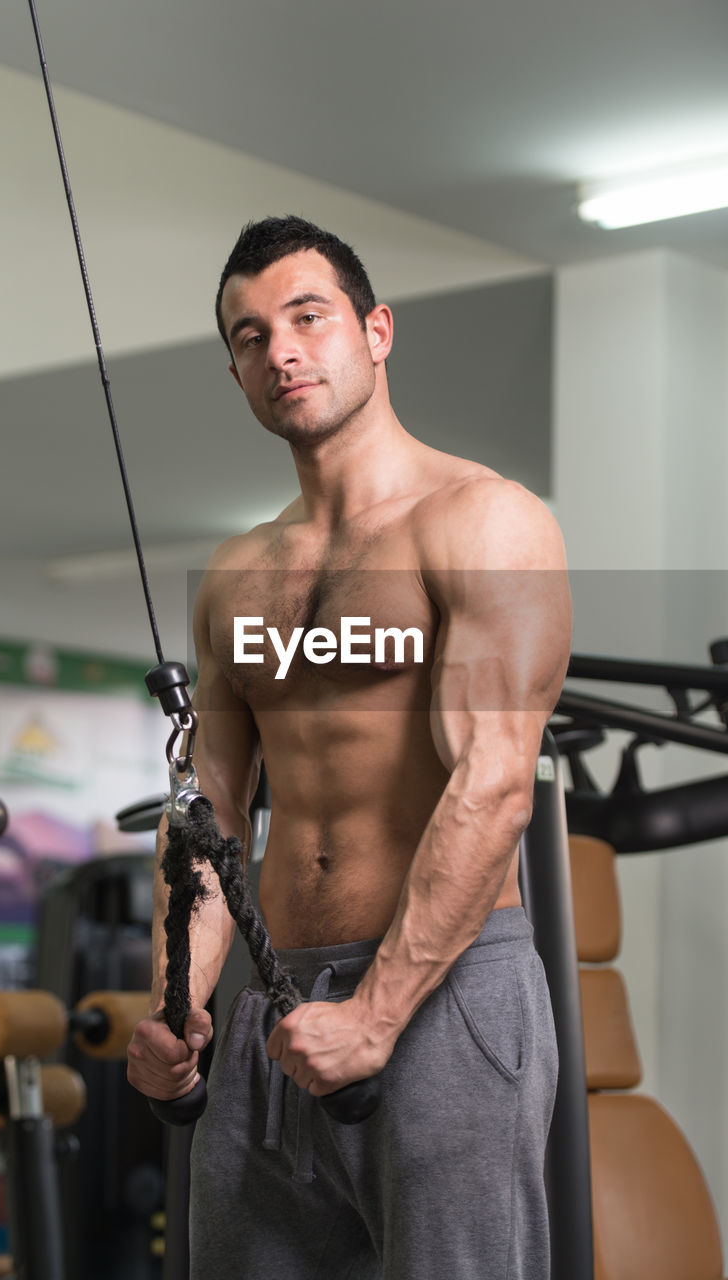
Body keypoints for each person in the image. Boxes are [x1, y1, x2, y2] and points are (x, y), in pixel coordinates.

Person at [127, 215, 572, 1279]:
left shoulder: (482, 522)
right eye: (247, 335)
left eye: (305, 316)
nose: (277, 349)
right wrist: (177, 1002)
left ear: (374, 331)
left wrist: (375, 1012)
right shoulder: (238, 573)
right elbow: (209, 813)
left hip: (443, 991)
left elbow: (494, 781)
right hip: (273, 1005)